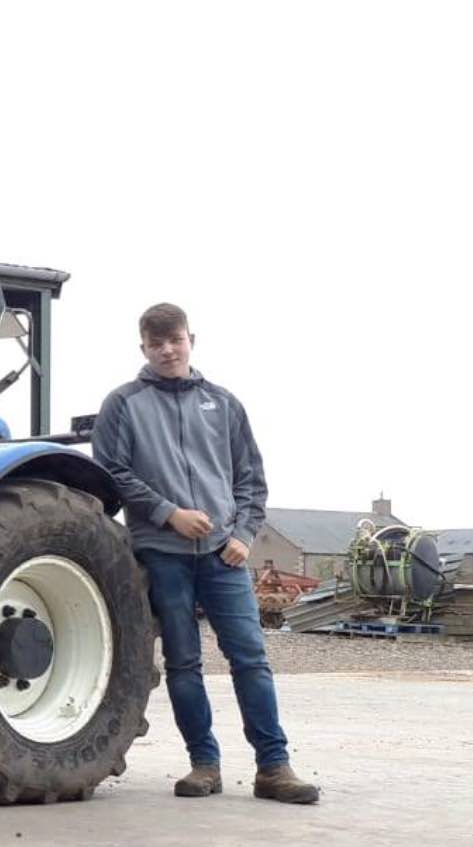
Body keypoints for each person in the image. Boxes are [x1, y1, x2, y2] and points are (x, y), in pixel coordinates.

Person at [93, 302, 319, 804]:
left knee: (251, 659)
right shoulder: (123, 405)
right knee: (182, 663)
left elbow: (250, 479)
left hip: (224, 555)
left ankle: (274, 767)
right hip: (162, 553)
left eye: (175, 340)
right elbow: (112, 472)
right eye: (156, 344)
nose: (167, 351)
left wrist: (242, 533)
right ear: (143, 349)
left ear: (191, 338)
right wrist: (168, 513)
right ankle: (204, 764)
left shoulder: (224, 404)